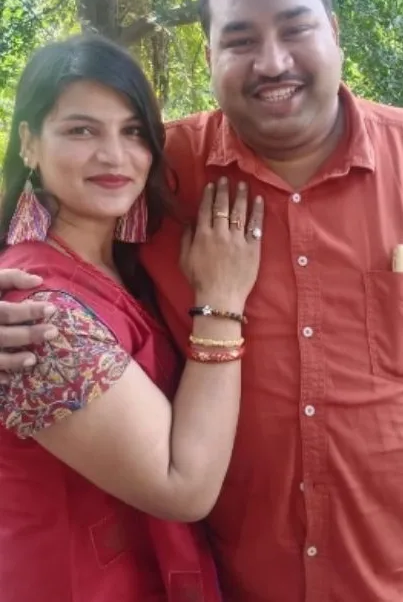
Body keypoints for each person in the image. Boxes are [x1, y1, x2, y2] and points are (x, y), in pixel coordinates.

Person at [1, 0, 403, 602]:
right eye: (239, 39)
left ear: (333, 30)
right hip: (224, 578)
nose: (271, 62)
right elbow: (48, 247)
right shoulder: (161, 174)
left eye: (295, 27)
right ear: (209, 51)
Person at [0, 34, 264, 602]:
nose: (114, 156)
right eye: (81, 130)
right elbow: (183, 487)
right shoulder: (34, 307)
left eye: (133, 131)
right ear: (29, 142)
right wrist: (222, 300)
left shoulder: (125, 266)